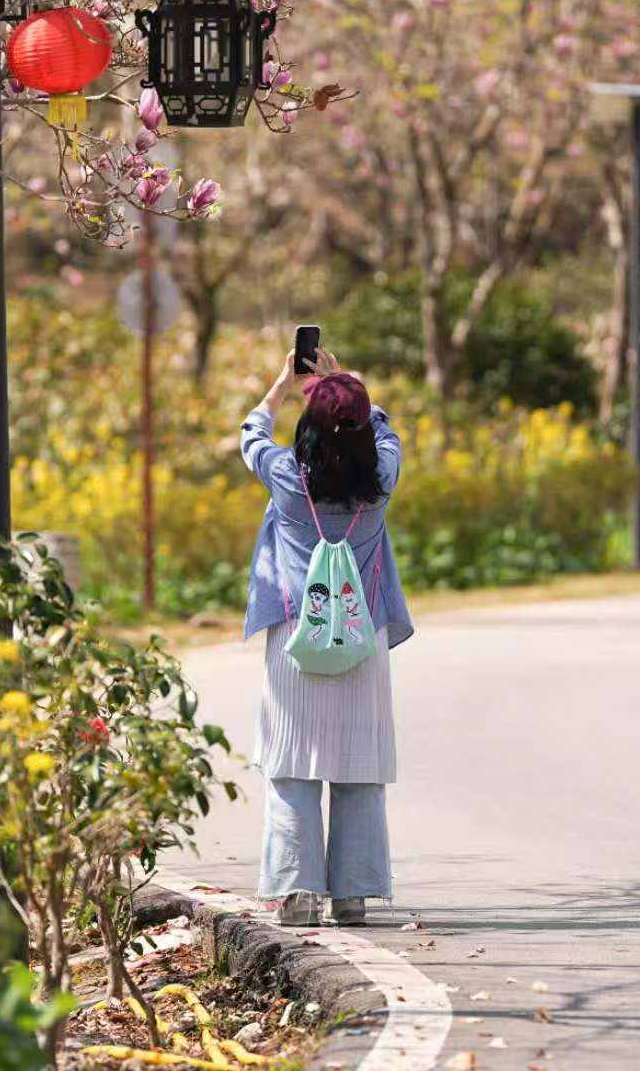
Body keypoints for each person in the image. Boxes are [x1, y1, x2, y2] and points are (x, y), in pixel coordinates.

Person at [239, 347, 411, 927]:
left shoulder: (288, 478)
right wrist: (347, 386)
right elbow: (385, 433)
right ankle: (353, 895)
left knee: (293, 764)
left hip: (298, 637)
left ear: (309, 427)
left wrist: (283, 386)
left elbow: (251, 435)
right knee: (358, 764)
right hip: (362, 637)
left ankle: (297, 893)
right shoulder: (380, 479)